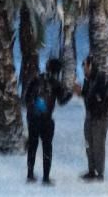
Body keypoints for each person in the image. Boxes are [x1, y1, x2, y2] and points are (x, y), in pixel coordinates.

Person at [24, 57, 72, 185]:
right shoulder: (55, 83)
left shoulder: (36, 79)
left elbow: (26, 97)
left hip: (33, 118)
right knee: (47, 148)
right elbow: (62, 101)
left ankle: (30, 174)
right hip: (46, 120)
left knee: (32, 146)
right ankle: (46, 177)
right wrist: (70, 93)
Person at [74, 55, 108, 182]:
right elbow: (88, 95)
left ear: (91, 66)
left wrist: (84, 93)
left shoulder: (100, 78)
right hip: (90, 115)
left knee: (98, 145)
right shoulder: (88, 79)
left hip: (100, 116)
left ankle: (100, 173)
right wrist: (80, 92)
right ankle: (91, 170)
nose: (83, 69)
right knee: (88, 144)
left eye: (85, 66)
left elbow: (99, 97)